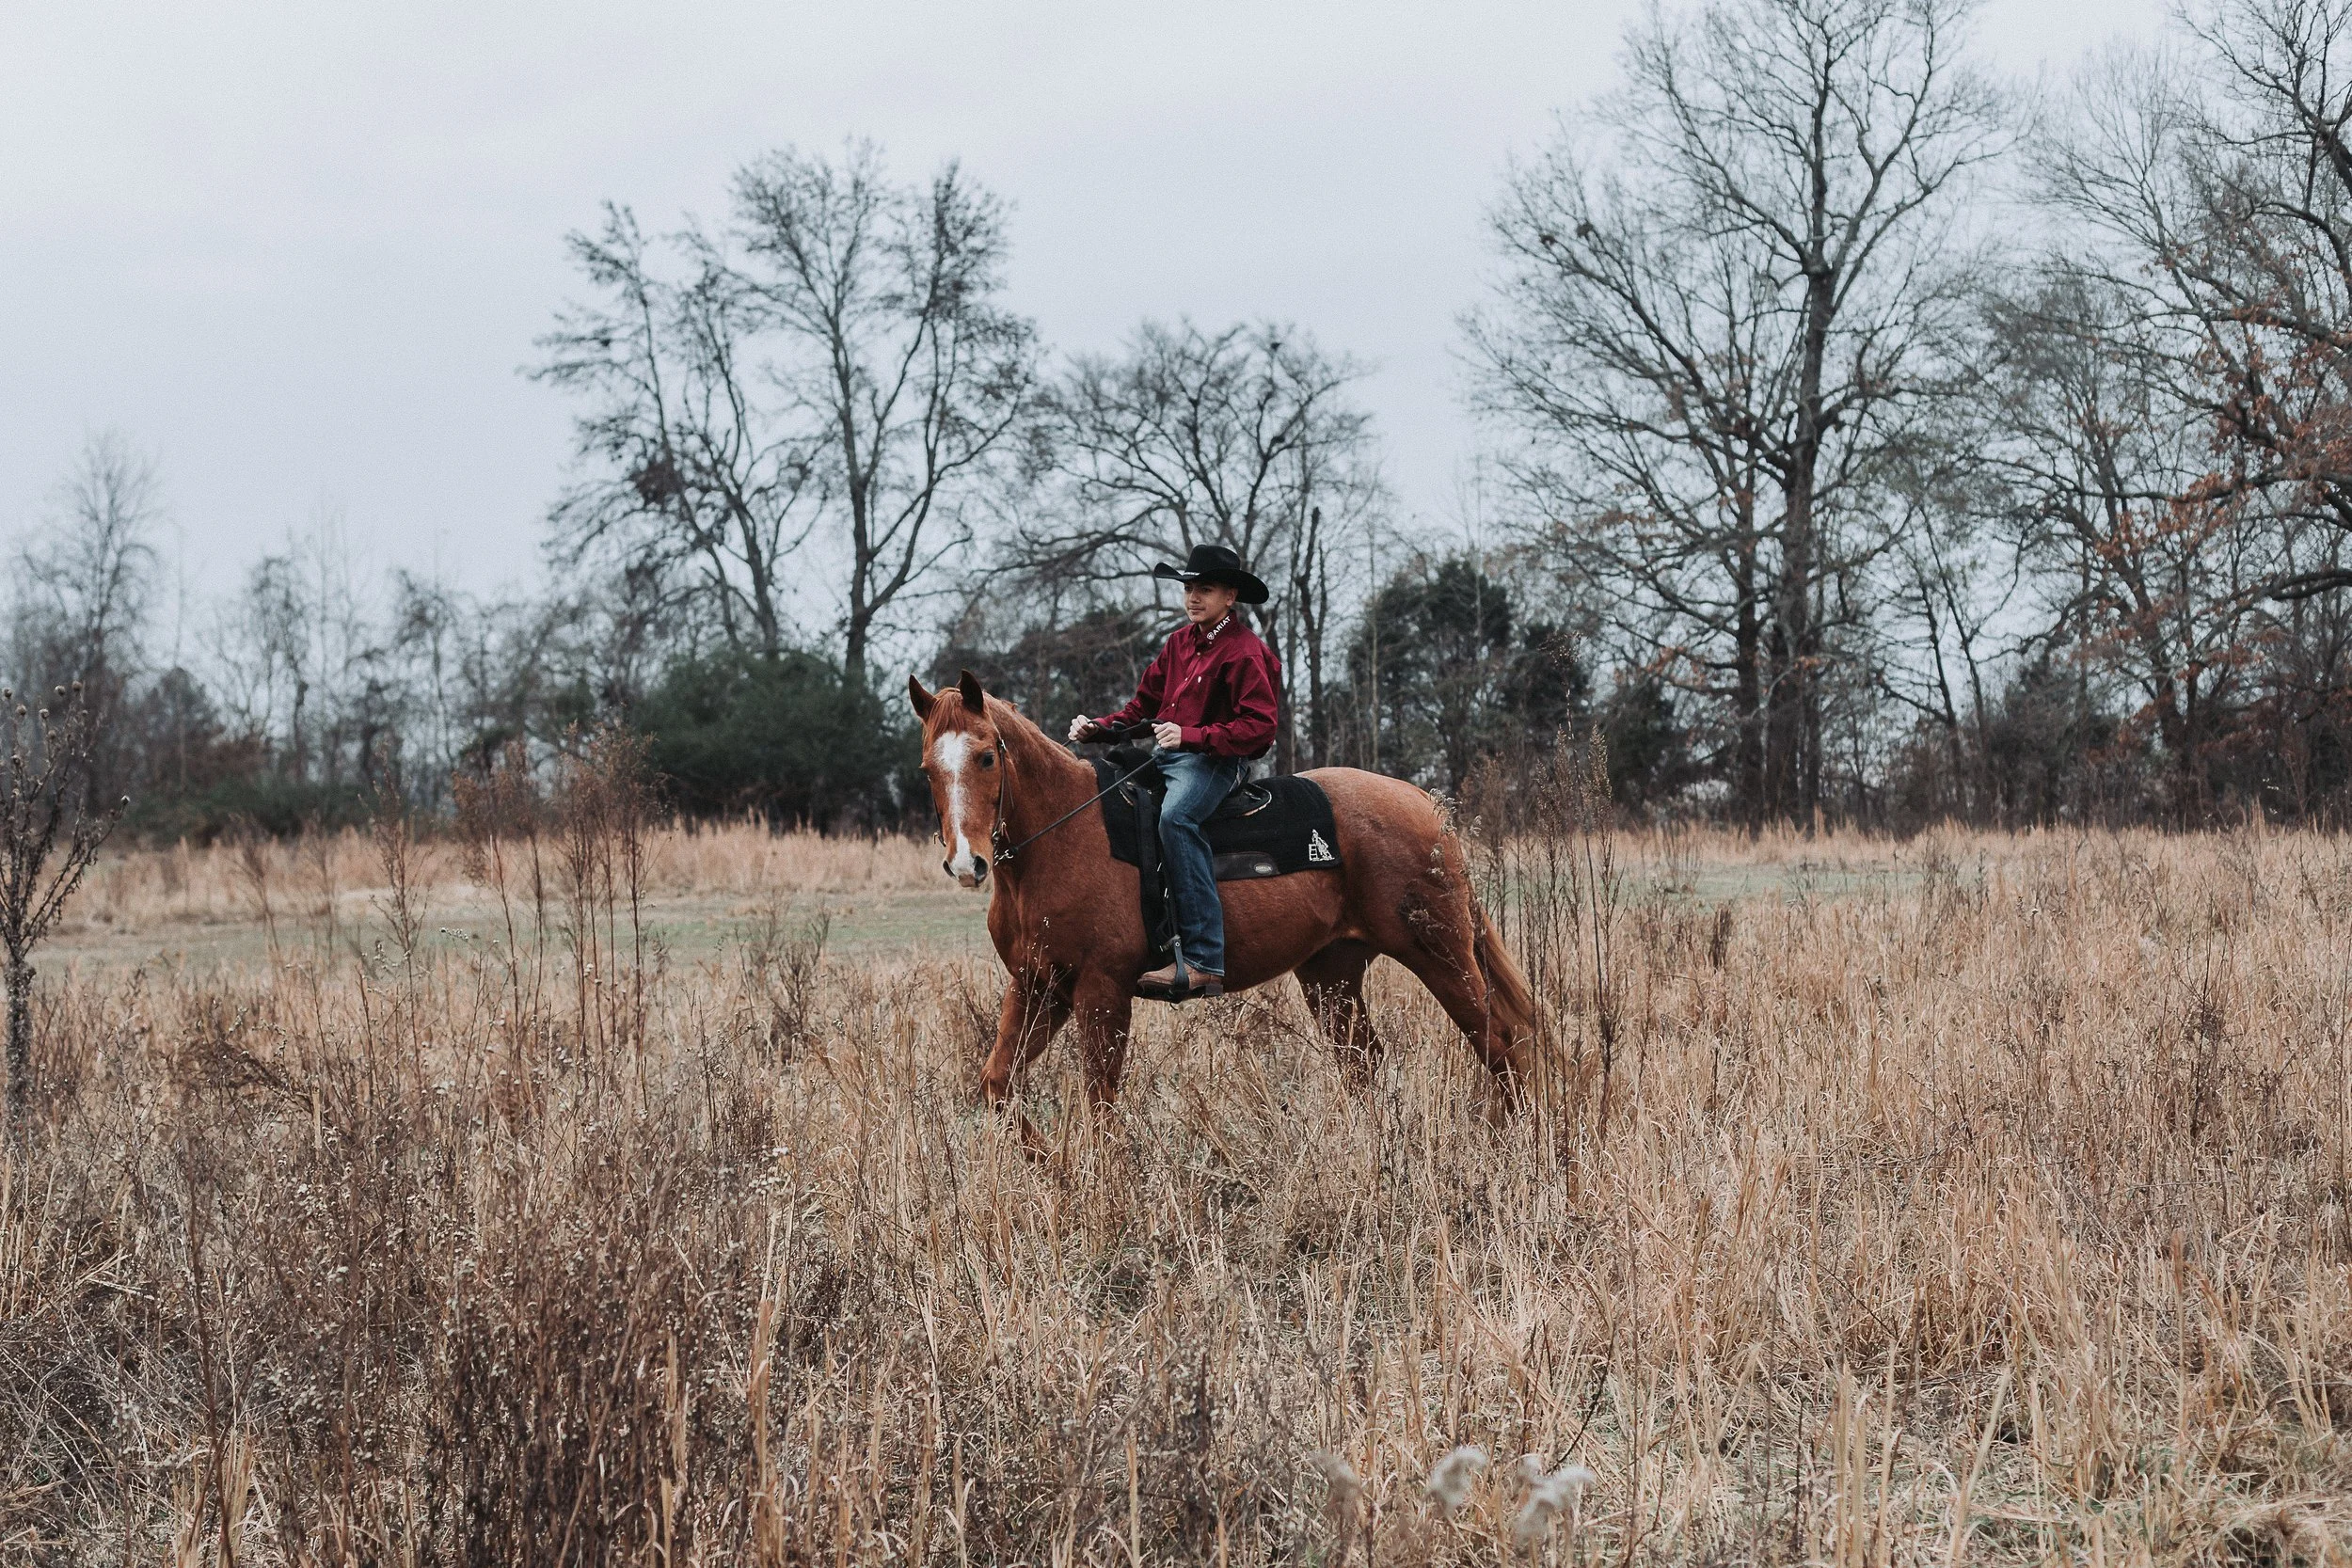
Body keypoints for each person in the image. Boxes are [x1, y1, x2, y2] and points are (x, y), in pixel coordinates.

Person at [1069, 544, 1280, 1000]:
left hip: (1216, 763)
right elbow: (1142, 709)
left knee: (1176, 819)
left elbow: (1261, 729)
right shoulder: (1179, 644)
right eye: (1188, 589)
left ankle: (1204, 958)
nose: (1193, 598)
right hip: (1169, 757)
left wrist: (1191, 736)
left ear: (1230, 596)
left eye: (1205, 589)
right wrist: (1099, 728)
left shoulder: (1245, 652)